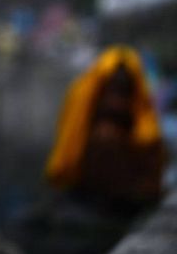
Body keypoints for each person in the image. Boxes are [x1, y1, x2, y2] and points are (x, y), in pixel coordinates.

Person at [46, 45, 166, 208]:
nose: (117, 101)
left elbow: (149, 142)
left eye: (122, 92)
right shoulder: (84, 105)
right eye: (113, 91)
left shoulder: (143, 126)